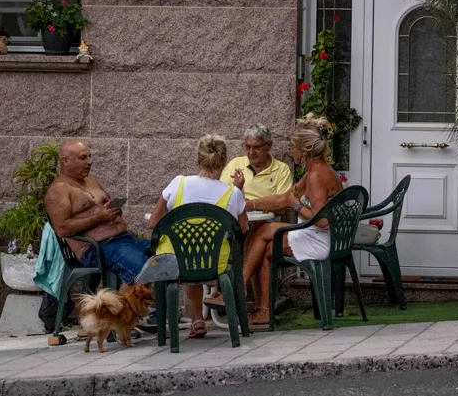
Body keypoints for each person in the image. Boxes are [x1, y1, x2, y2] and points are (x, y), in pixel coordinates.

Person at [240, 115, 342, 327]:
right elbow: (282, 198)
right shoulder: (316, 170)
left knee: (262, 234)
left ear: (304, 151)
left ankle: (241, 290)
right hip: (317, 234)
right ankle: (261, 309)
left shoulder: (316, 176)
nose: (290, 151)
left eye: (293, 147)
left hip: (321, 239)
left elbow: (321, 221)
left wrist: (296, 205)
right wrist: (248, 205)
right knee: (264, 242)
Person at [146, 135, 249, 339]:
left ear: (198, 158)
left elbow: (153, 223)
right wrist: (239, 190)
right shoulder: (232, 194)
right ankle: (206, 319)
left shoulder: (178, 183)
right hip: (217, 262)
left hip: (179, 262)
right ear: (224, 161)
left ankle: (197, 319)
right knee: (201, 255)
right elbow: (243, 227)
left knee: (188, 254)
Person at [45, 141, 153, 298]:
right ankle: (113, 317)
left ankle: (149, 314)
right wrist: (99, 217)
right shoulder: (58, 190)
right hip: (97, 248)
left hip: (125, 240)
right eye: (83, 158)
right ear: (65, 160)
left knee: (162, 258)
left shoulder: (92, 181)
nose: (89, 161)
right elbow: (62, 228)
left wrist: (113, 210)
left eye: (90, 156)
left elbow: (103, 207)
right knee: (141, 268)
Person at [209, 124, 293, 314]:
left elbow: (283, 202)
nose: (251, 152)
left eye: (257, 147)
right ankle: (261, 309)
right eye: (247, 146)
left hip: (267, 226)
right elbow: (221, 195)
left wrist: (251, 203)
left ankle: (242, 291)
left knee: (258, 232)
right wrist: (238, 196)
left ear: (269, 146)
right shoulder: (235, 164)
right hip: (235, 226)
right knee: (254, 237)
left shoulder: (281, 170)